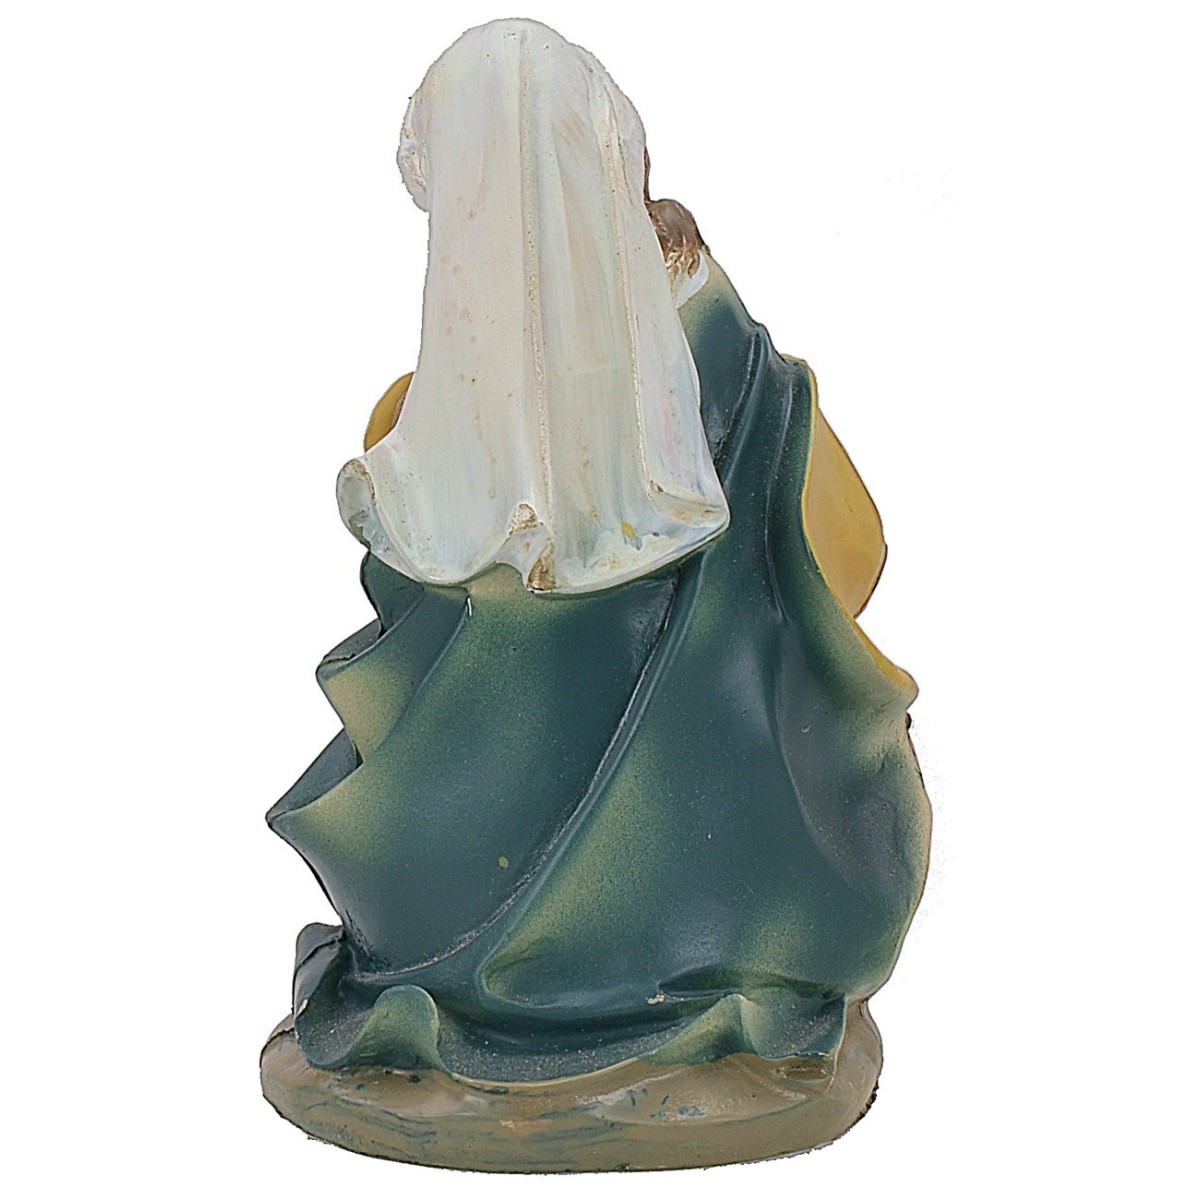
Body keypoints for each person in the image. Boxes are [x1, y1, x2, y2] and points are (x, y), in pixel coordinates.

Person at [268, 19, 930, 1084]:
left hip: (459, 914)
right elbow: (852, 559)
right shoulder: (747, 387)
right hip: (742, 891)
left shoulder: (411, 455)